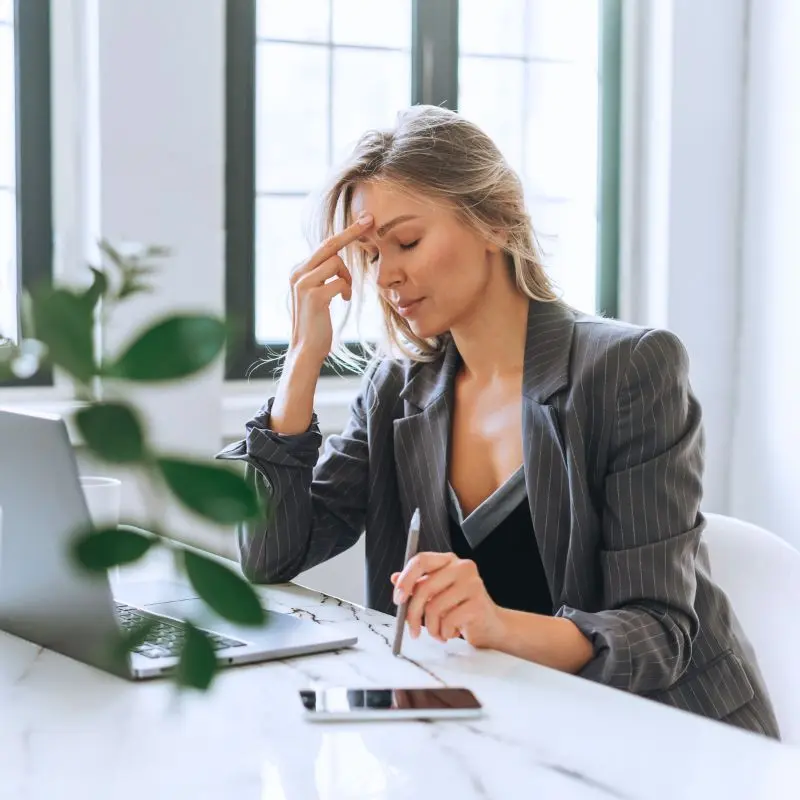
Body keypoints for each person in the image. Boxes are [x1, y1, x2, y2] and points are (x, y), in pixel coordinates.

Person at [218, 105, 779, 739]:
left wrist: (496, 623)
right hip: (509, 727)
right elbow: (270, 557)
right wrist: (301, 364)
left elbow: (658, 634)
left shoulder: (628, 369)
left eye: (407, 241)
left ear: (494, 220)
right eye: (372, 256)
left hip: (671, 736)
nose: (389, 275)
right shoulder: (399, 386)